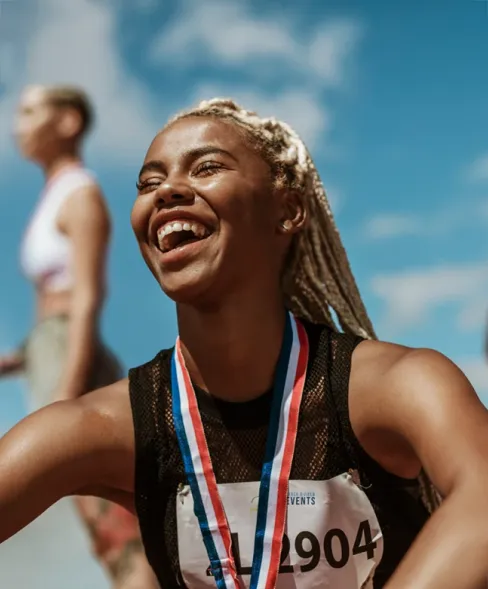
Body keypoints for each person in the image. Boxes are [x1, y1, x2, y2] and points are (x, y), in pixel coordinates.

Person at [1, 98, 488, 589]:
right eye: (149, 183)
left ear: (288, 210)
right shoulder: (114, 426)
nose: (167, 190)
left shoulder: (390, 386)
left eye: (207, 167)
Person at [0, 85, 157, 589]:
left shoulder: (80, 193)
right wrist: (20, 358)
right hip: (51, 351)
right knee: (98, 520)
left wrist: (66, 392)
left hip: (72, 355)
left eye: (29, 110)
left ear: (68, 121)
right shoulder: (54, 196)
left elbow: (87, 296)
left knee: (115, 520)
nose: (16, 123)